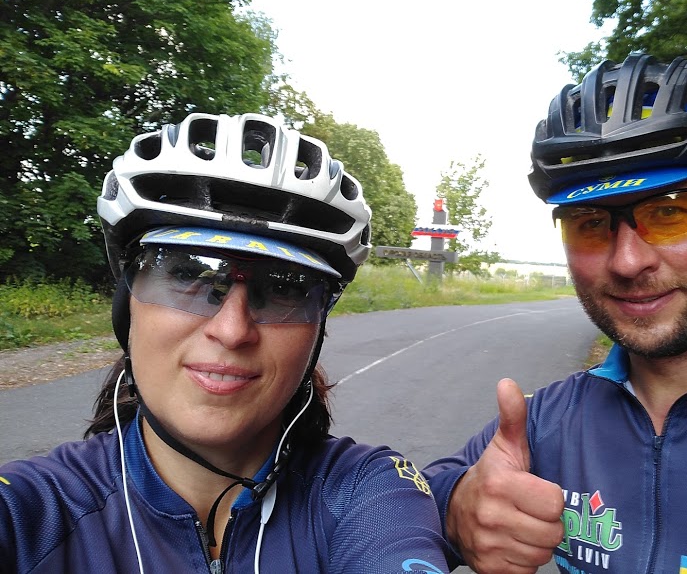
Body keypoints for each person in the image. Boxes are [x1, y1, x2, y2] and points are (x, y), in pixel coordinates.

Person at [424, 53, 687, 573]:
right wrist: (456, 504)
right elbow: (403, 502)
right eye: (590, 223)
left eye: (669, 211)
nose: (627, 262)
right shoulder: (549, 421)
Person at [0, 113, 449, 574]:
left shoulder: (367, 492)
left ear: (317, 332)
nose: (232, 331)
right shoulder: (30, 511)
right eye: (187, 274)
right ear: (126, 308)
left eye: (285, 288)